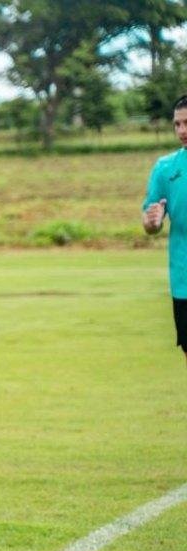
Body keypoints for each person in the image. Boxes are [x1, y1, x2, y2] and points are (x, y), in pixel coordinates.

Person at [143, 94, 187, 366]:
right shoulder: (165, 168)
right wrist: (153, 221)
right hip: (184, 278)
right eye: (177, 124)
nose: (182, 130)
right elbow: (150, 223)